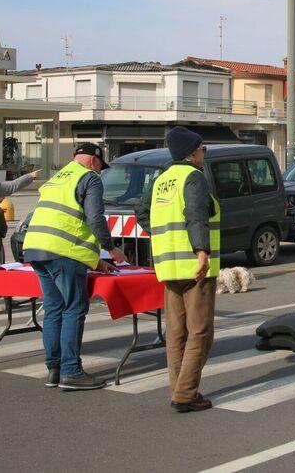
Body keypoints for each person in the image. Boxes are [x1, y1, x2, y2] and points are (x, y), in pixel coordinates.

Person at [23, 143, 125, 391]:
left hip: (36, 248)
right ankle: (71, 371)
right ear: (93, 161)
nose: (101, 171)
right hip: (63, 253)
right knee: (74, 308)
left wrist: (96, 261)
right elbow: (94, 217)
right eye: (101, 166)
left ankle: (54, 369)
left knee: (54, 308)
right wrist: (111, 249)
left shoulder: (58, 177)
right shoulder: (89, 178)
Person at [136, 127, 220, 412]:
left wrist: (161, 239)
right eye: (202, 149)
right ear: (192, 152)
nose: (204, 154)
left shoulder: (161, 179)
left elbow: (141, 213)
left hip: (168, 266)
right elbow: (196, 215)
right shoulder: (192, 177)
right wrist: (201, 252)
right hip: (193, 268)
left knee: (176, 333)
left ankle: (178, 388)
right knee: (200, 332)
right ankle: (185, 393)